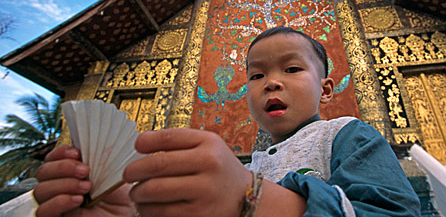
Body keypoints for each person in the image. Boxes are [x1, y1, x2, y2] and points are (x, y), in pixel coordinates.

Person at [34, 27, 421, 217]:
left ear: (325, 89)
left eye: (291, 68)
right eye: (255, 76)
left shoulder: (348, 135)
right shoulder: (245, 167)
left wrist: (251, 199)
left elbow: (394, 213)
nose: (271, 81)